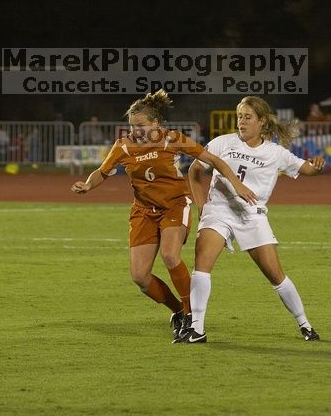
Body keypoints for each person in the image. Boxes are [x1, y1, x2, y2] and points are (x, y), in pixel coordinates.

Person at [71, 90, 256, 342]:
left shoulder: (173, 139)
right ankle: (179, 311)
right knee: (140, 277)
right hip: (143, 211)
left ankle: (192, 316)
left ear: (156, 123)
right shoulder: (123, 146)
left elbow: (214, 160)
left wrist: (237, 185)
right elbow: (102, 172)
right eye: (132, 126)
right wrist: (88, 185)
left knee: (170, 255)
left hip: (174, 206)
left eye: (141, 126)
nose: (135, 131)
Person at [179, 96, 325, 344]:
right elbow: (193, 171)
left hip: (252, 217)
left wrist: (317, 166)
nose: (242, 122)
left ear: (262, 121)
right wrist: (203, 205)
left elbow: (306, 169)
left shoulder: (276, 153)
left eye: (247, 117)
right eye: (239, 116)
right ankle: (197, 329)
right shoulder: (222, 143)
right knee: (202, 265)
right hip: (220, 211)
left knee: (276, 275)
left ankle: (305, 325)